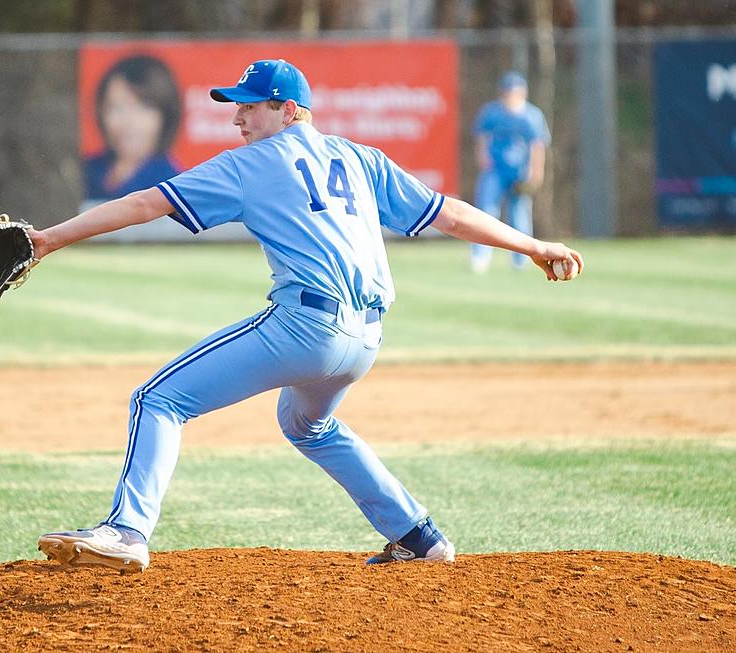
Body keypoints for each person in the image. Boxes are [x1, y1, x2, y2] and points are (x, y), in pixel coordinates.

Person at [35, 59, 583, 573]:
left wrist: (51, 239)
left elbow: (144, 205)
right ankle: (420, 538)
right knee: (306, 423)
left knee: (158, 399)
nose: (237, 116)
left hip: (306, 328)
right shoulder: (361, 157)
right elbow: (452, 215)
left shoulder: (252, 163)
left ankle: (128, 530)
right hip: (365, 340)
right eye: (237, 105)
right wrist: (533, 245)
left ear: (288, 111)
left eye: (251, 106)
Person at [470, 71, 552, 272]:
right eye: (507, 91)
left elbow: (537, 145)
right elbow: (482, 136)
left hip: (519, 173)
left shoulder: (531, 116)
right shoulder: (492, 112)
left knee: (519, 215)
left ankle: (521, 259)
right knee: (486, 212)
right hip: (495, 170)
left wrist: (536, 171)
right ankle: (480, 256)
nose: (510, 95)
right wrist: (483, 159)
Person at [83, 54, 182, 202]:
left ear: (166, 115)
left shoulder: (173, 185)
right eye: (117, 107)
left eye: (143, 107)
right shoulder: (84, 171)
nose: (128, 122)